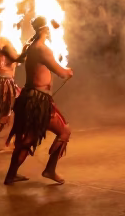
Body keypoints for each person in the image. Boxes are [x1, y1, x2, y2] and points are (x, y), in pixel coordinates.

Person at [4, 17, 73, 185]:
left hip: (31, 98)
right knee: (64, 132)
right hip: (38, 101)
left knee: (28, 140)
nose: (51, 31)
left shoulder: (33, 47)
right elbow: (61, 72)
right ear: (45, 30)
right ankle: (49, 170)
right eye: (49, 29)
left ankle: (11, 175)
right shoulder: (42, 49)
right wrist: (67, 71)